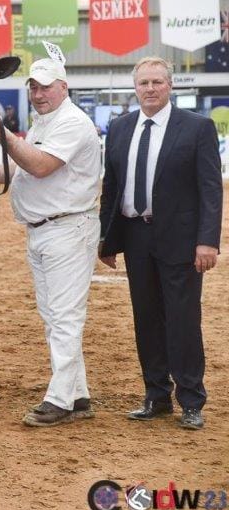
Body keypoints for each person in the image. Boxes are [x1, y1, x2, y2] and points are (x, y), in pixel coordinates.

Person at [0, 57, 101, 427]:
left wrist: (2, 133)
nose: (39, 94)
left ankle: (59, 400)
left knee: (64, 317)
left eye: (45, 87)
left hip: (67, 230)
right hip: (45, 230)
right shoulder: (46, 122)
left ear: (63, 87)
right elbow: (21, 170)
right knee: (55, 317)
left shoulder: (72, 122)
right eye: (34, 88)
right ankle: (77, 394)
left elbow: (40, 166)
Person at [99, 57, 222, 431]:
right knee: (146, 318)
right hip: (136, 236)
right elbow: (112, 188)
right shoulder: (119, 129)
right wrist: (107, 239)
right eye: (143, 83)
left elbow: (211, 189)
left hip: (182, 241)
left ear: (170, 86)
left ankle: (191, 400)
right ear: (134, 88)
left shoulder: (197, 128)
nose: (150, 89)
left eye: (156, 82)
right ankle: (155, 395)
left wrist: (207, 241)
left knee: (183, 320)